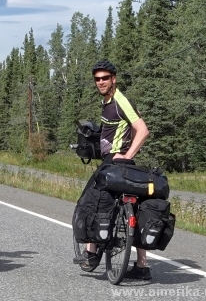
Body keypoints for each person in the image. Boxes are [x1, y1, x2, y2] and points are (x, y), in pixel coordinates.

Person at [73, 60, 152, 280]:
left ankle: (91, 253)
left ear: (113, 79)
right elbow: (114, 130)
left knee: (91, 200)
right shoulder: (107, 101)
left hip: (116, 163)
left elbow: (142, 130)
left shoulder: (120, 100)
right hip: (117, 162)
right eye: (97, 79)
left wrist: (127, 156)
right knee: (134, 209)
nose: (101, 82)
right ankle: (142, 267)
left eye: (105, 78)